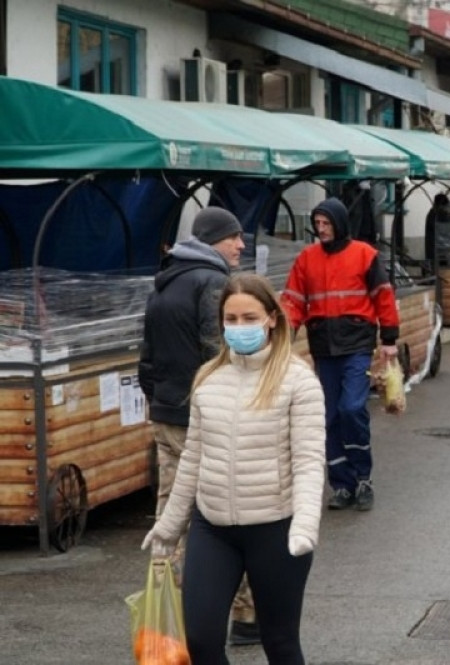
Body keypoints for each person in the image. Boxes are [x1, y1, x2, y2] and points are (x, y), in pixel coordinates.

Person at [141, 273, 326, 665]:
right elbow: (192, 459)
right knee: (200, 639)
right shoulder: (208, 379)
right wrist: (169, 527)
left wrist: (305, 525)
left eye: (249, 318)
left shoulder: (298, 381)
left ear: (272, 319)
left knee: (280, 642)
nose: (239, 327)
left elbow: (309, 461)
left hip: (276, 529)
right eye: (231, 319)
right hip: (213, 528)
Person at [137, 206, 262, 646]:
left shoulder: (164, 282)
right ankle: (246, 616)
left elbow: (146, 359)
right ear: (212, 240)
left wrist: (161, 401)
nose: (241, 245)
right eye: (233, 237)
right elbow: (220, 354)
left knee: (170, 519)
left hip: (167, 416)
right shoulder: (213, 284)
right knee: (232, 516)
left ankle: (167, 619)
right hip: (205, 422)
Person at [281, 196, 400, 510]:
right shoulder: (307, 259)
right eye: (317, 223)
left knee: (351, 408)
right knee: (330, 416)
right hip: (324, 348)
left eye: (326, 223)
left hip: (356, 345)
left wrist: (389, 338)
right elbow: (292, 301)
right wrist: (283, 338)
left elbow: (383, 296)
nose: (321, 229)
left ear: (340, 223)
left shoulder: (365, 255)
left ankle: (363, 478)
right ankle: (342, 485)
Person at [423, 192, 450, 267]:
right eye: (444, 206)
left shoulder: (437, 214)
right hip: (435, 251)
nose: (445, 208)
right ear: (440, 205)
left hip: (441, 250)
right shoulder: (434, 215)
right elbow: (445, 229)